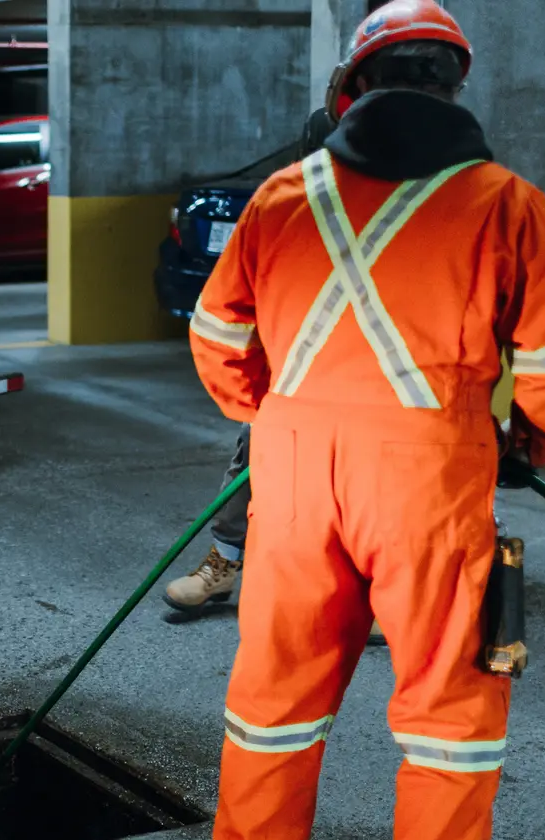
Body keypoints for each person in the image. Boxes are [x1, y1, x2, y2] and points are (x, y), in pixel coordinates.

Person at [187, 2, 545, 840]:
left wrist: (271, 420)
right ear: (454, 88)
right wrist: (530, 443)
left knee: (273, 697)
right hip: (430, 482)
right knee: (451, 716)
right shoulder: (506, 202)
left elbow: (217, 340)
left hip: (291, 480)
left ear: (350, 91)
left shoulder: (284, 195)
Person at [164, 106, 337, 615]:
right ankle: (223, 564)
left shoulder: (414, 214)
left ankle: (371, 596)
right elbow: (224, 317)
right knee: (251, 458)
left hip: (376, 394)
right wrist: (252, 404)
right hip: (292, 382)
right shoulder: (285, 211)